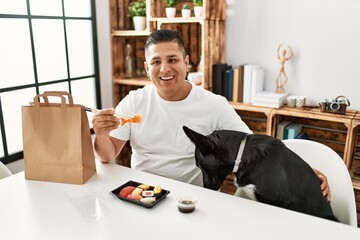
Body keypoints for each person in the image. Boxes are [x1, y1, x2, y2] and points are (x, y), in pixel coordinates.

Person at [92, 29, 331, 202]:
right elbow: (107, 154)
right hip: (144, 195)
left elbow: (258, 150)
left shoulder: (213, 105)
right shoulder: (134, 101)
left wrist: (304, 171)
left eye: (172, 59)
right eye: (156, 62)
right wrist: (101, 135)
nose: (164, 69)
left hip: (192, 200)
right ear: (147, 68)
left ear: (186, 63)